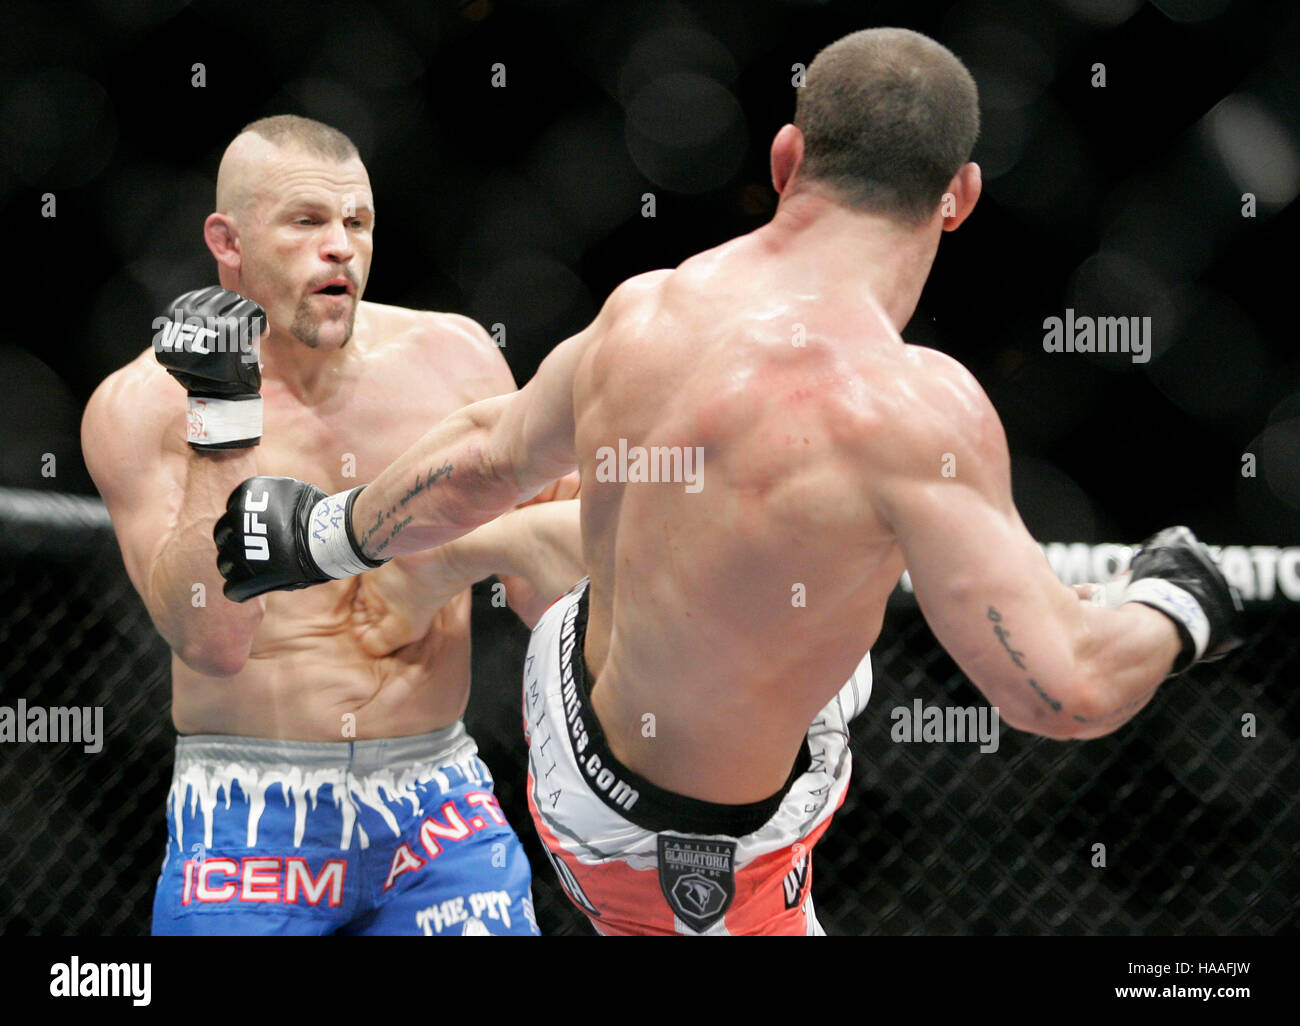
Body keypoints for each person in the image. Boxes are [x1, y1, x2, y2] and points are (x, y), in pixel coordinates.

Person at [214, 30, 1242, 935]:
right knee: (830, 572)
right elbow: (1061, 691)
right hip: (681, 854)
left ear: (786, 157)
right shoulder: (915, 411)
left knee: (751, 542)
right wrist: (1177, 599)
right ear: (959, 194)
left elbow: (489, 449)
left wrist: (324, 532)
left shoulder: (645, 310)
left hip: (575, 694)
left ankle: (468, 557)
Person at [82, 115, 583, 935]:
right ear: (228, 240)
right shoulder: (142, 406)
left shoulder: (454, 359)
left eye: (357, 223)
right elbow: (211, 641)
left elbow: (547, 596)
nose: (341, 247)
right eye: (308, 221)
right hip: (250, 817)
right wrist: (222, 422)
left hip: (438, 805)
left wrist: (457, 562)